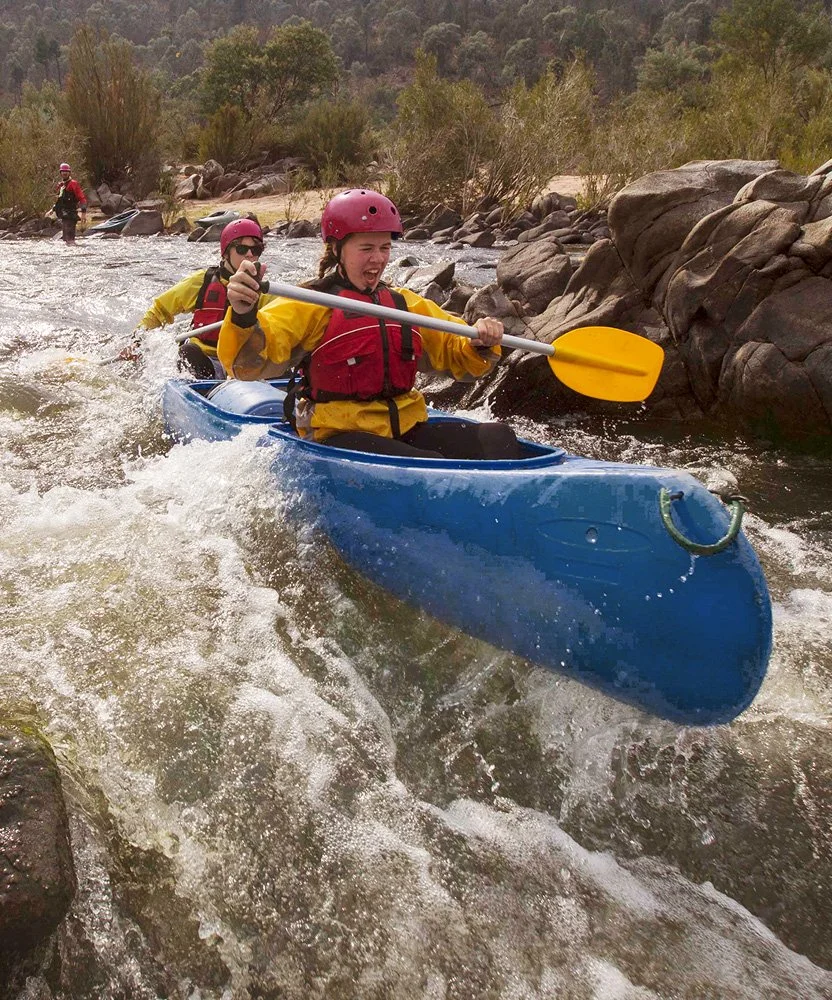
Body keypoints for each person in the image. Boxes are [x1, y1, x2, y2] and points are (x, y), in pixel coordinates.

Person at [218, 189, 520, 460]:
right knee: (427, 462)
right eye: (366, 249)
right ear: (337, 249)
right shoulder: (310, 302)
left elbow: (457, 355)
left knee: (500, 440)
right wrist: (243, 315)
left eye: (384, 248)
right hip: (338, 435)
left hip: (404, 426)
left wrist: (480, 341)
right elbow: (247, 364)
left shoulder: (405, 304)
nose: (377, 259)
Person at [135, 217, 277, 378]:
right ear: (225, 253)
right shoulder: (201, 281)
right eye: (242, 249)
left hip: (243, 363)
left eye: (256, 249)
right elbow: (159, 310)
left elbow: (283, 324)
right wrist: (136, 343)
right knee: (187, 352)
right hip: (207, 358)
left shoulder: (265, 291)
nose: (250, 254)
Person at [54, 163, 87, 245]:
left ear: (69, 173)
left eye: (66, 171)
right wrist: (52, 209)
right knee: (65, 239)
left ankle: (73, 253)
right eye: (63, 171)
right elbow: (60, 200)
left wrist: (83, 213)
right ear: (60, 173)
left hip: (71, 215)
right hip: (64, 215)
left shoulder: (73, 184)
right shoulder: (61, 185)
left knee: (70, 239)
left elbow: (82, 198)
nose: (65, 173)